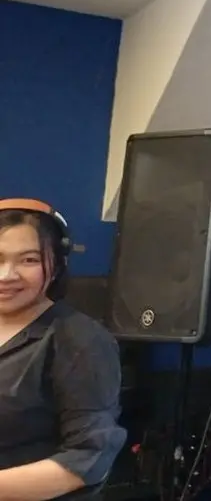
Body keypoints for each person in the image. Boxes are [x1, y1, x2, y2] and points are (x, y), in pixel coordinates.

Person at [0, 198, 126, 500]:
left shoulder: (80, 339)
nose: (6, 275)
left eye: (28, 260)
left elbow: (88, 459)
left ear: (57, 264)